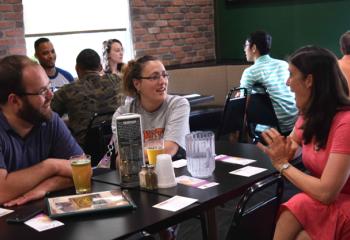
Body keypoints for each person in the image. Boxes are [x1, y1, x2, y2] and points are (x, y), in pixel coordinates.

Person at [258, 46, 350, 239]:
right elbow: (290, 145)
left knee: (299, 215)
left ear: (309, 81)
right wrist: (282, 150)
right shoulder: (310, 116)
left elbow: (326, 193)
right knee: (296, 208)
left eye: (291, 75)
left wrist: (282, 164)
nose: (287, 83)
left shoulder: (346, 123)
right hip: (326, 201)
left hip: (340, 200)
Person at [0, 55, 83, 206]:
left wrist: (45, 187)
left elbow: (83, 169)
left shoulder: (49, 119)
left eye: (49, 87)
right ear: (15, 100)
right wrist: (51, 166)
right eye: (42, 91)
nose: (51, 95)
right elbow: (2, 192)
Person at [111, 55, 190, 161]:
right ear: (137, 84)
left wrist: (134, 154)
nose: (163, 82)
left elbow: (169, 149)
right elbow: (121, 160)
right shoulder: (123, 114)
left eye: (164, 75)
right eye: (154, 77)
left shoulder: (177, 104)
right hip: (139, 174)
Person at [51, 49, 124, 147]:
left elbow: (49, 116)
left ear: (77, 68)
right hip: (118, 144)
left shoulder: (67, 91)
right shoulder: (118, 81)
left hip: (84, 152)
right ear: (100, 67)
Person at [239, 30, 298, 135]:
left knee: (246, 101)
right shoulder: (283, 64)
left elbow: (243, 104)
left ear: (253, 48)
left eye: (246, 45)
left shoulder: (250, 72)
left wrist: (239, 128)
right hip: (296, 122)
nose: (244, 49)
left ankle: (244, 145)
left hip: (278, 126)